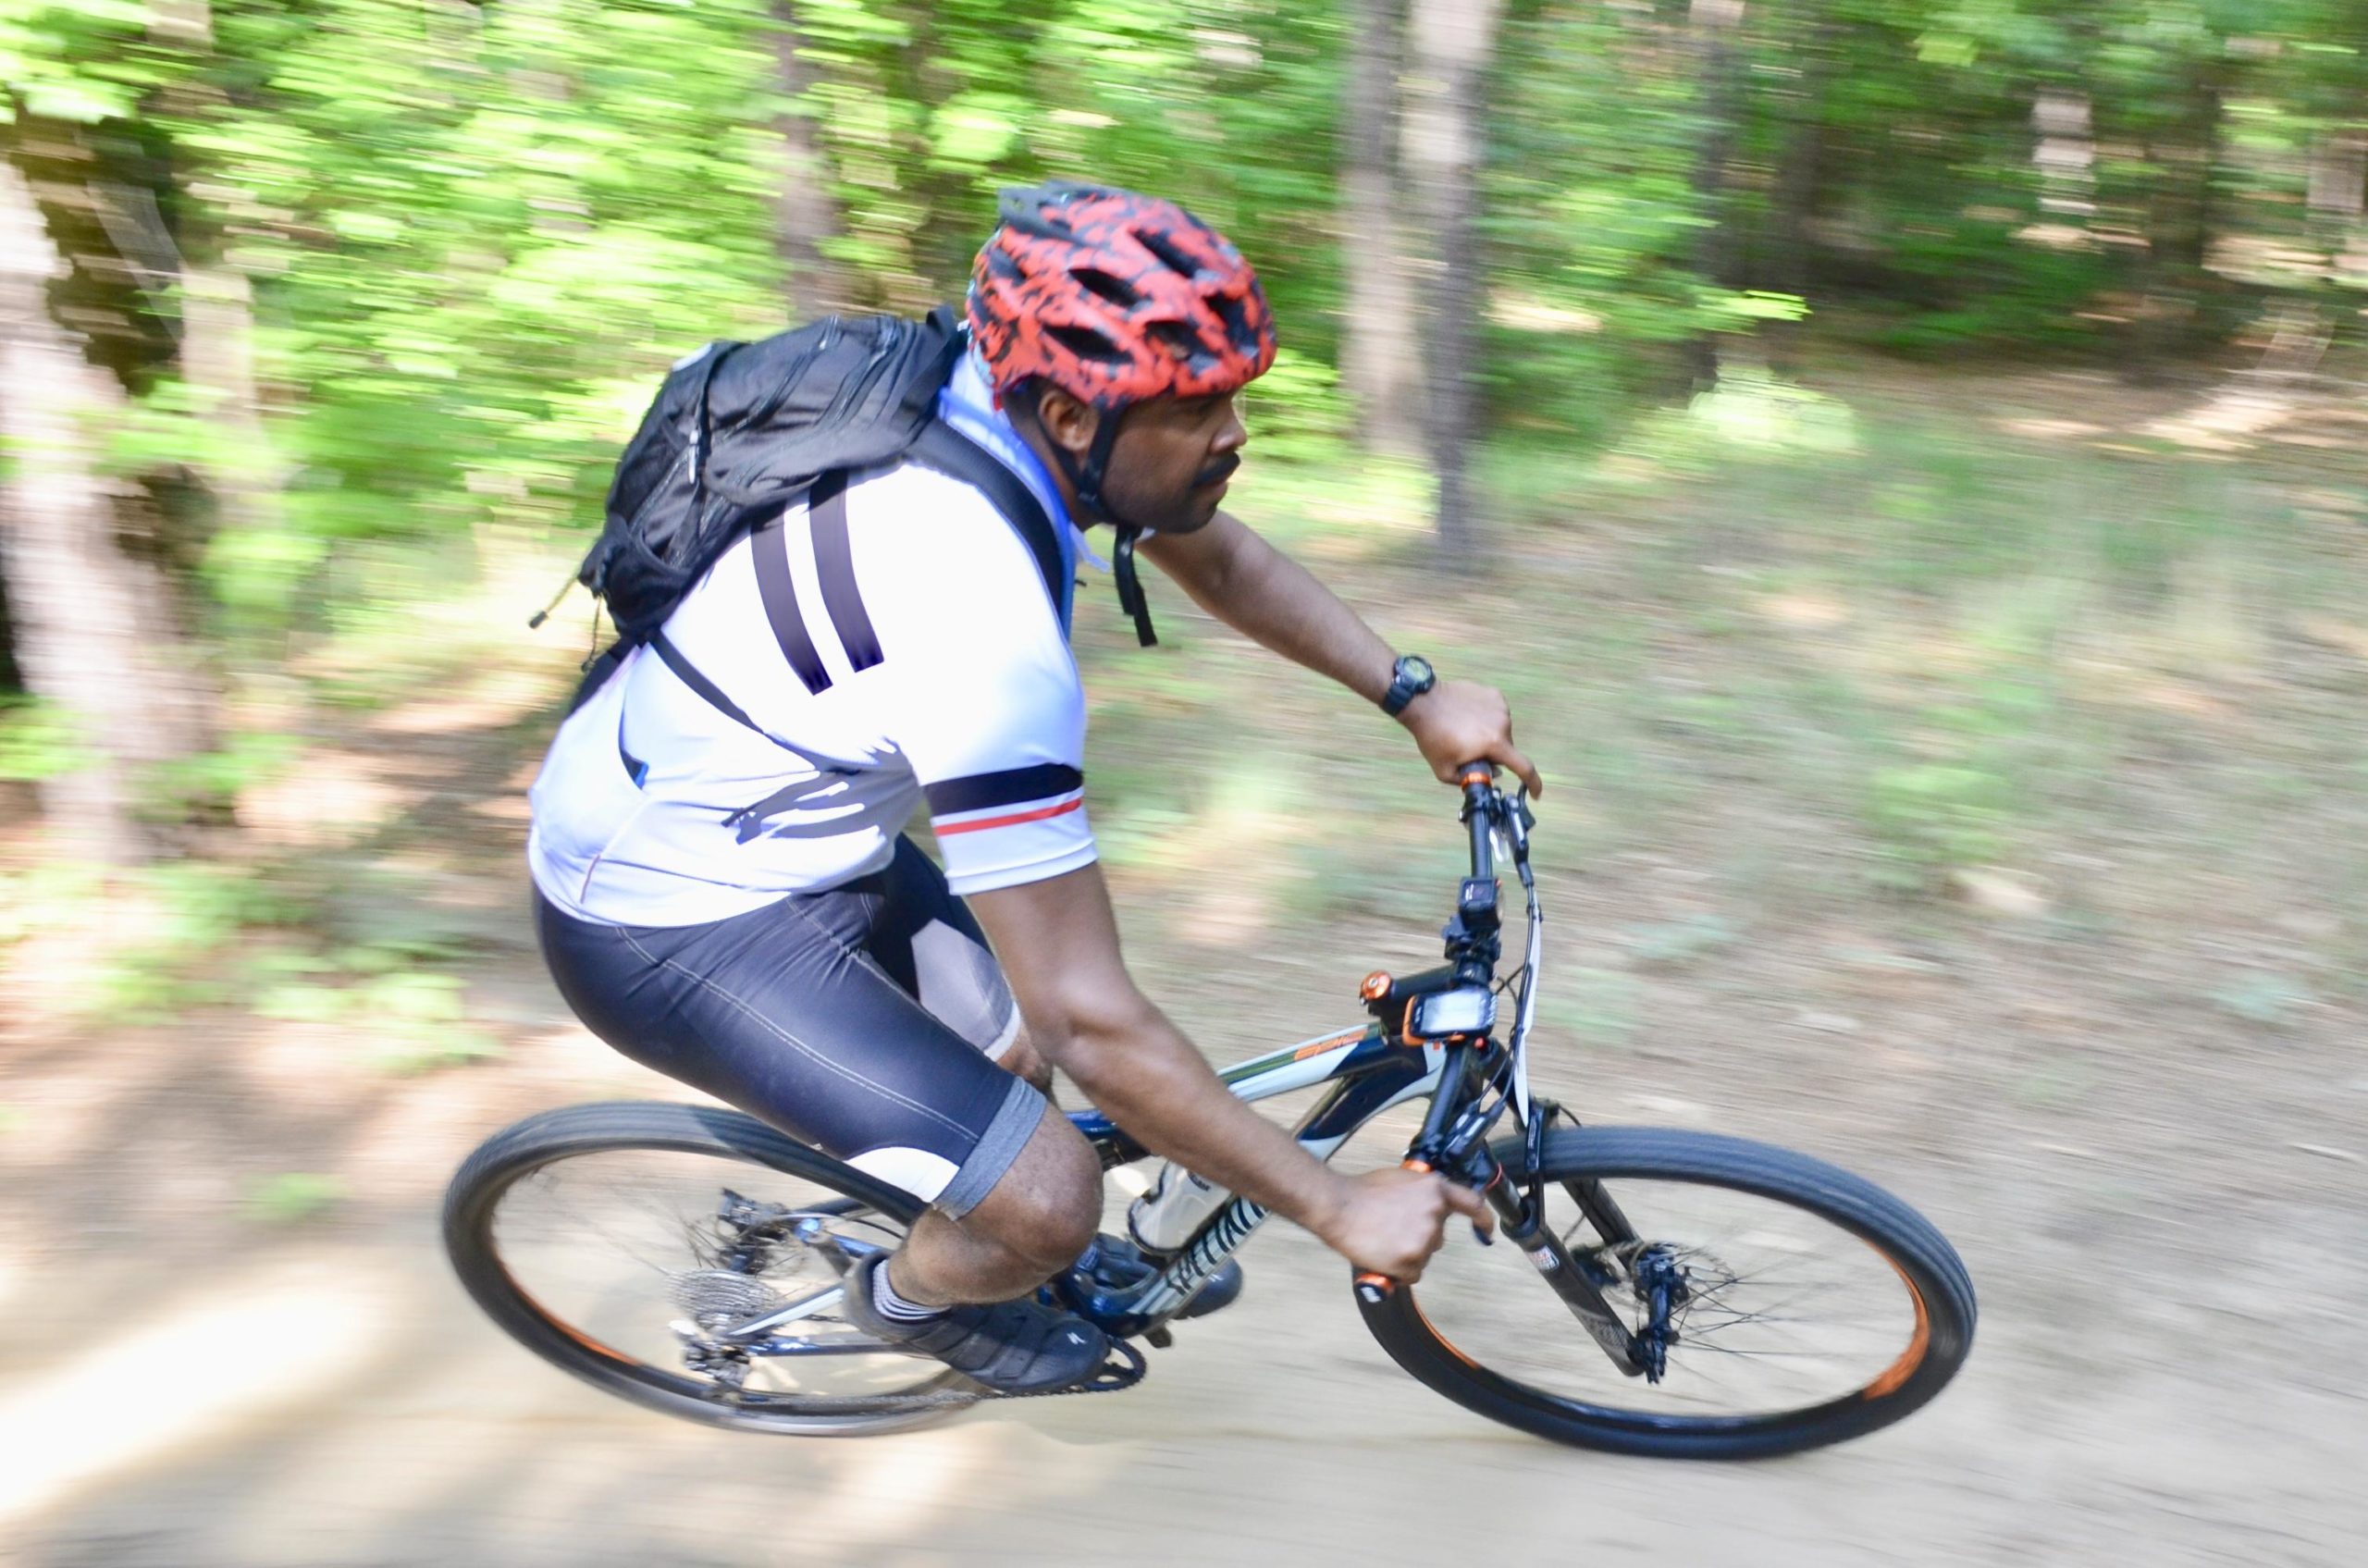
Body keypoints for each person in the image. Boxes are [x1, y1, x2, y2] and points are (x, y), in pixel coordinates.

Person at [526, 179, 1541, 1394]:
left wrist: (1411, 692)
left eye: (1234, 395)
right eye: (1199, 404)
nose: (1236, 432)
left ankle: (966, 1218)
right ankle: (905, 1302)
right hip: (668, 915)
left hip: (784, 829)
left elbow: (1204, 542)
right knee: (1051, 1194)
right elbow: (1093, 1020)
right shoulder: (978, 621)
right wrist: (1337, 1208)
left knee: (1010, 1066)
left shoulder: (994, 393)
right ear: (1069, 413)